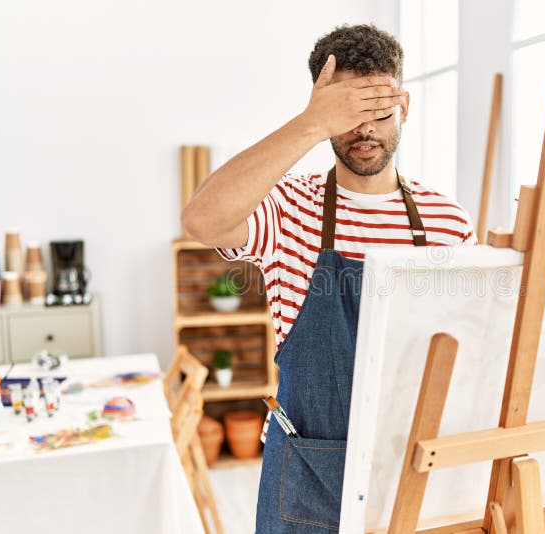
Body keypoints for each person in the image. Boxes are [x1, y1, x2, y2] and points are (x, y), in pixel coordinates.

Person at [182, 23, 476, 533]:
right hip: (308, 479)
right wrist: (309, 124)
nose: (364, 131)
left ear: (404, 106)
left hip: (414, 471)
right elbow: (201, 220)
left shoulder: (446, 220)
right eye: (347, 114)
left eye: (378, 112)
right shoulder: (289, 206)